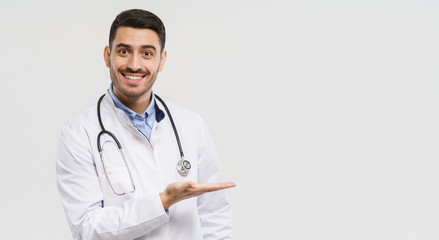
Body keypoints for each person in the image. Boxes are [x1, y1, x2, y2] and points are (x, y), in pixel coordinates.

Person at [56, 9, 235, 240]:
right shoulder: (78, 134)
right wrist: (162, 202)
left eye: (147, 53)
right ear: (107, 56)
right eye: (123, 51)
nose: (134, 64)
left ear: (162, 61)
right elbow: (87, 230)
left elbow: (215, 216)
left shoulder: (191, 125)